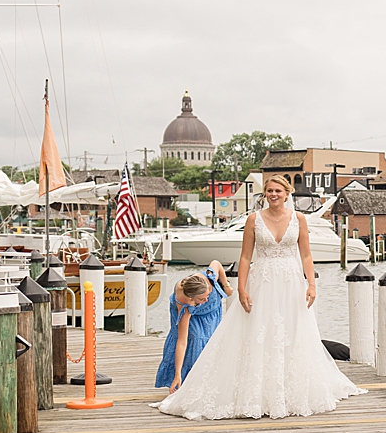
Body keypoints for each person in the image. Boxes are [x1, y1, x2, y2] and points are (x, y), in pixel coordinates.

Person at [156, 174, 363, 419]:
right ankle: (256, 391)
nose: (273, 195)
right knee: (258, 332)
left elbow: (306, 255)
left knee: (291, 332)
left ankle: (290, 389)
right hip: (261, 282)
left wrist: (311, 285)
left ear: (287, 193)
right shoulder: (254, 220)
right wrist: (241, 289)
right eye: (269, 191)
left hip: (290, 283)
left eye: (278, 190)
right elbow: (245, 257)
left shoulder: (299, 220)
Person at [154, 261, 231, 392]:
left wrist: (226, 285)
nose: (205, 300)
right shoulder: (185, 304)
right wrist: (177, 373)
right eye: (202, 299)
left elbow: (216, 263)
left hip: (211, 312)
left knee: (209, 341)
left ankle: (209, 381)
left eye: (207, 295)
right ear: (192, 298)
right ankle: (188, 381)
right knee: (196, 339)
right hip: (193, 313)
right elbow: (181, 341)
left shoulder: (206, 277)